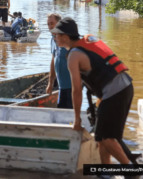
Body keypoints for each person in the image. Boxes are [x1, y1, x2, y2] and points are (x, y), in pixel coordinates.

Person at [51, 17, 134, 167]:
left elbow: (76, 90)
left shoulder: (73, 56)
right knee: (102, 136)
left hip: (116, 92)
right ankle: (105, 171)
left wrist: (77, 118)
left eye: (56, 34)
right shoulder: (88, 40)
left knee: (106, 137)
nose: (54, 37)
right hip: (125, 86)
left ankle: (132, 171)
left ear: (64, 36)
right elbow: (104, 68)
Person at [46, 13, 73, 109]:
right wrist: (50, 82)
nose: (50, 26)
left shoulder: (66, 38)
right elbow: (53, 60)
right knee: (61, 114)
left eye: (52, 23)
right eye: (48, 24)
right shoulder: (53, 40)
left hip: (71, 86)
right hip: (61, 87)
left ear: (59, 23)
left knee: (70, 116)